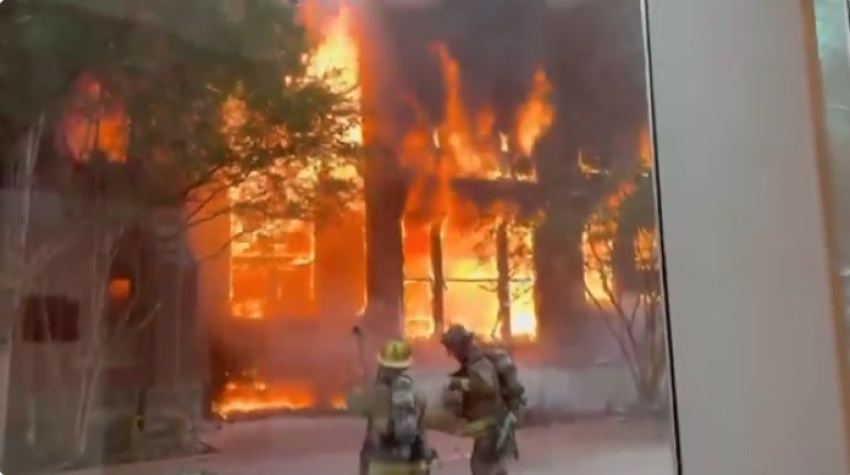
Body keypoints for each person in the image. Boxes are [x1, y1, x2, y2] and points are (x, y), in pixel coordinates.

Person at [440, 324, 526, 475]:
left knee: (481, 467)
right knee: (495, 467)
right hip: (494, 425)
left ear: (461, 345)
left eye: (452, 349)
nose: (452, 354)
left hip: (489, 427)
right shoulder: (475, 362)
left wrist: (459, 383)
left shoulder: (478, 363)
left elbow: (487, 387)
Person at [347, 338, 436, 475]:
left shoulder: (375, 393)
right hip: (414, 463)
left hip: (381, 463)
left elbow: (351, 403)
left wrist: (369, 386)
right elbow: (422, 427)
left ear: (382, 364)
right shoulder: (417, 393)